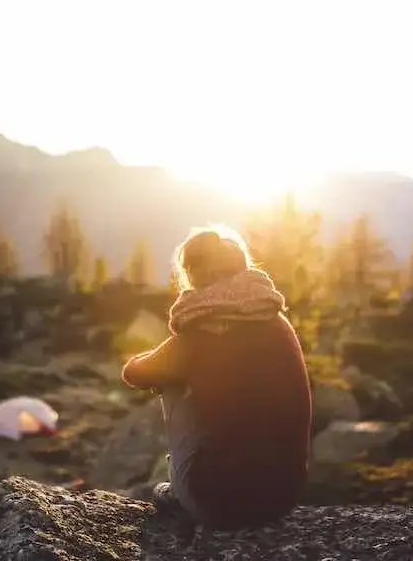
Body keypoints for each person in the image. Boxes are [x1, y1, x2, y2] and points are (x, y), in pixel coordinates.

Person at [121, 225, 312, 530]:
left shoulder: (201, 328)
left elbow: (134, 373)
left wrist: (167, 358)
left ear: (193, 275)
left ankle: (181, 482)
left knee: (168, 378)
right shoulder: (277, 320)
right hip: (282, 498)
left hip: (217, 503)